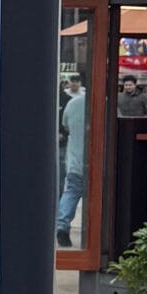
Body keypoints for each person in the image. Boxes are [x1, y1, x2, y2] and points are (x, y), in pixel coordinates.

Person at [57, 75, 87, 248]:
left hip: (75, 161)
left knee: (70, 193)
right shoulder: (106, 103)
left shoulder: (72, 104)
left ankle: (62, 225)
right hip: (99, 162)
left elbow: (65, 125)